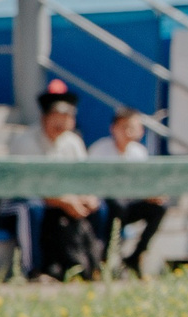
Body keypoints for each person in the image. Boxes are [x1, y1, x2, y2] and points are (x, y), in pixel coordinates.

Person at [10, 81, 104, 281]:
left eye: (67, 117)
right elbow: (28, 187)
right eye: (57, 117)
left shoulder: (73, 142)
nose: (62, 122)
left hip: (63, 202)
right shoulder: (26, 142)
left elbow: (84, 178)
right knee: (31, 209)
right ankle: (32, 271)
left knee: (99, 208)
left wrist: (86, 197)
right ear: (45, 117)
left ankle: (99, 265)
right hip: (21, 202)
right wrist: (63, 200)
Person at [86, 106, 168, 277]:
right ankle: (104, 261)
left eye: (134, 127)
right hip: (103, 207)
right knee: (116, 206)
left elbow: (143, 185)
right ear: (113, 128)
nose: (129, 132)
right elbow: (93, 184)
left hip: (126, 206)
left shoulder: (139, 153)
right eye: (124, 127)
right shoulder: (99, 150)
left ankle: (136, 256)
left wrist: (152, 195)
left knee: (158, 209)